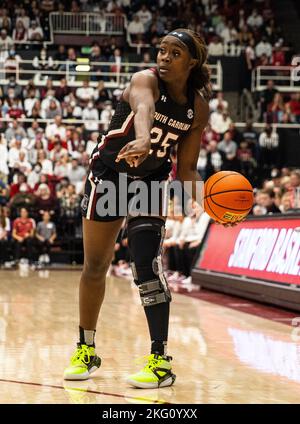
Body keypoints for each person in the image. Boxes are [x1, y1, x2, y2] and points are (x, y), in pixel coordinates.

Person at [63, 28, 213, 388]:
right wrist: (143, 138)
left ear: (191, 62)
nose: (164, 57)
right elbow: (143, 108)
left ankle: (160, 360)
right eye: (162, 50)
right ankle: (86, 347)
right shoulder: (144, 79)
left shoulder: (197, 106)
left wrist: (210, 206)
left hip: (150, 181)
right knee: (96, 266)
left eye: (174, 54)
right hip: (110, 175)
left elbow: (188, 169)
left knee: (146, 265)